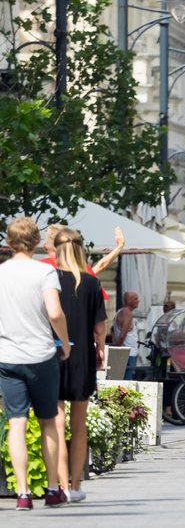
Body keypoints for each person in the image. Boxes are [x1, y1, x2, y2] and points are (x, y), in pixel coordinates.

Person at [0, 217, 71, 510]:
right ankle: (53, 489)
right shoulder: (45, 272)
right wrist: (65, 343)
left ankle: (23, 493)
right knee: (48, 423)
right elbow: (54, 313)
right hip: (41, 356)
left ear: (8, 241)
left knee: (16, 422)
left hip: (7, 356)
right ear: (35, 241)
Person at [51, 227, 107, 503]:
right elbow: (100, 327)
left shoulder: (49, 279)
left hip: (54, 353)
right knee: (80, 423)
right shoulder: (91, 282)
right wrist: (100, 350)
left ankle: (61, 485)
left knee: (57, 423)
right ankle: (75, 485)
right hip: (83, 356)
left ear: (56, 249)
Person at [42, 224, 124, 300]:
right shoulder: (78, 266)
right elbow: (100, 267)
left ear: (45, 246)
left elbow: (99, 267)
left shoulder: (38, 268)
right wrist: (119, 246)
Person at [112, 291, 140, 379]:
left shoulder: (120, 312)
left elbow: (114, 331)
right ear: (128, 301)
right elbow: (122, 335)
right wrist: (117, 350)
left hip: (126, 352)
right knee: (127, 381)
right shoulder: (127, 313)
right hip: (129, 353)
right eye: (135, 298)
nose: (138, 301)